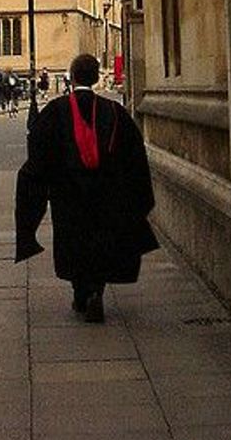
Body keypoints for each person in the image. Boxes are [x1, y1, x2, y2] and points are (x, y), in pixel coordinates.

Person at [14, 53, 158, 322]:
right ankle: (97, 290)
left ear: (71, 76)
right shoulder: (115, 112)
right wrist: (136, 200)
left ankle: (81, 291)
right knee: (101, 241)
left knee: (74, 241)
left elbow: (38, 157)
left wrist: (32, 197)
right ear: (94, 77)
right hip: (106, 194)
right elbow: (135, 157)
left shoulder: (55, 111)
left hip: (68, 195)